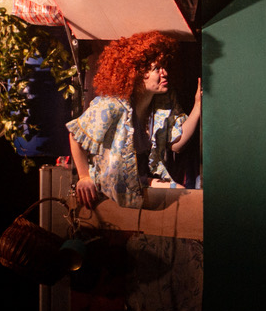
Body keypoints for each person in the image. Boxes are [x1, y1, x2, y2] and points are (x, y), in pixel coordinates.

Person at [66, 31, 202, 208]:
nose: (165, 73)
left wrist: (197, 106)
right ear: (137, 74)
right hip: (114, 183)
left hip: (140, 180)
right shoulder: (112, 105)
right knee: (180, 200)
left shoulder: (162, 102)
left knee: (183, 197)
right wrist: (84, 177)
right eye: (157, 69)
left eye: (164, 66)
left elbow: (176, 144)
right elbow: (75, 136)